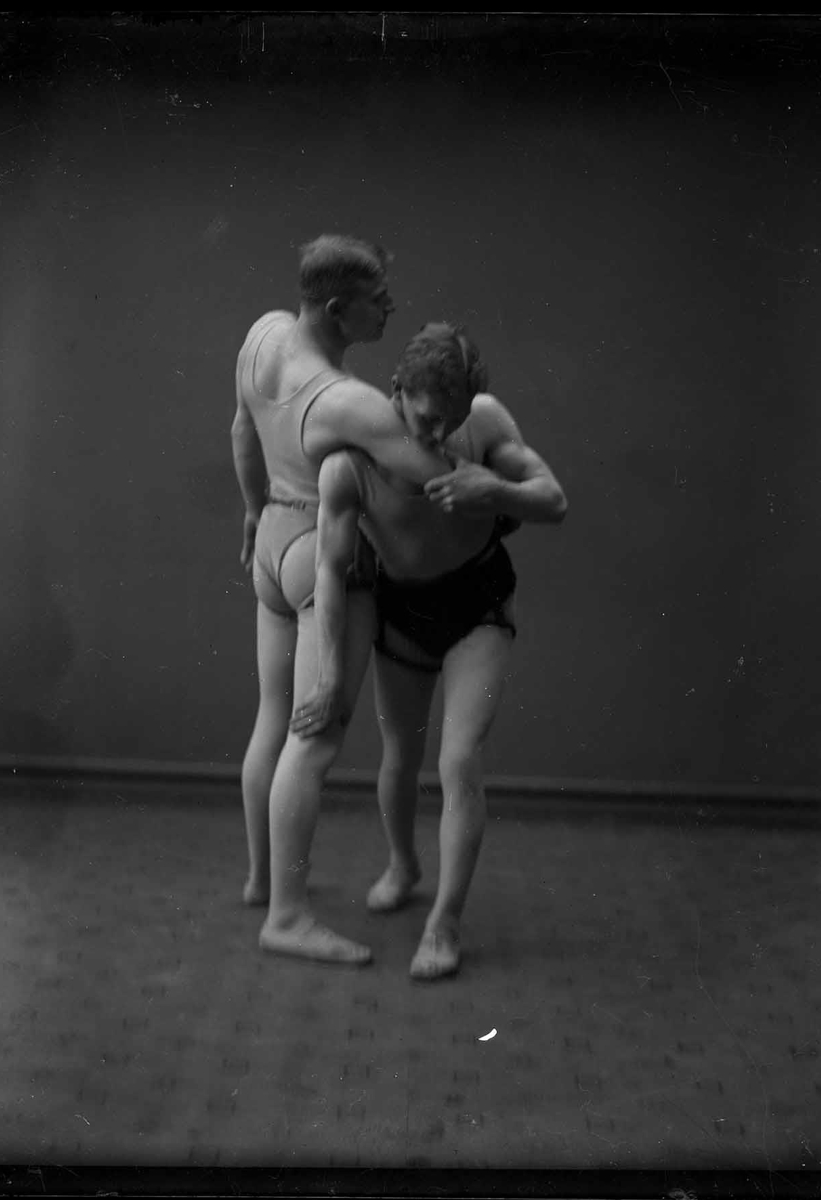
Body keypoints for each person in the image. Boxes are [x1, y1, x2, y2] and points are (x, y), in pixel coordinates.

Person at [290, 323, 567, 979]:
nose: (440, 435)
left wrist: (494, 490)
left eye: (453, 419)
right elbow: (330, 571)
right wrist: (329, 676)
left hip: (480, 605)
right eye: (427, 419)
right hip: (405, 612)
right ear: (396, 392)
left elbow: (554, 500)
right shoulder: (350, 463)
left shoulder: (485, 420)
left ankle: (444, 923)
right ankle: (403, 864)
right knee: (401, 755)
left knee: (459, 758)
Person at [232, 235, 455, 965]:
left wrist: (253, 510)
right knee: (314, 737)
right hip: (319, 559)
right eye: (377, 300)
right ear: (336, 309)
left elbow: (243, 430)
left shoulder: (263, 336)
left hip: (272, 543)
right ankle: (287, 918)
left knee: (274, 720)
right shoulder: (348, 402)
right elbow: (432, 471)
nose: (390, 307)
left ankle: (263, 881)